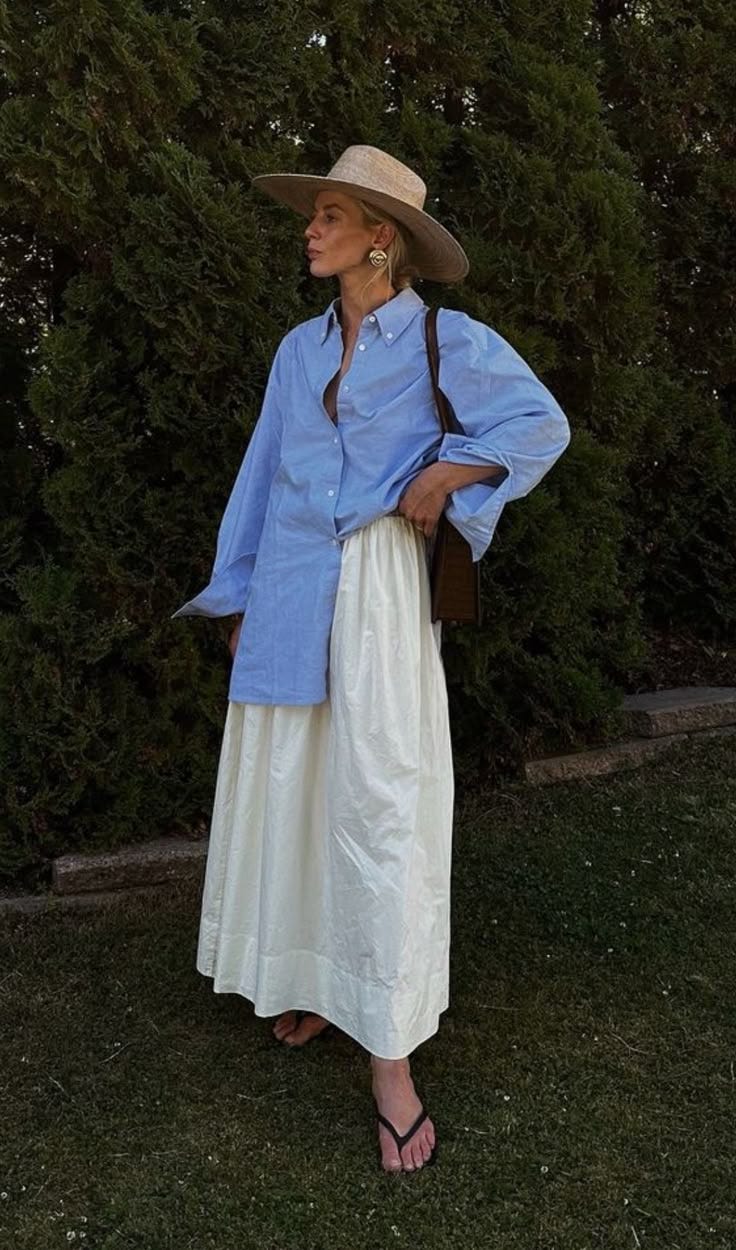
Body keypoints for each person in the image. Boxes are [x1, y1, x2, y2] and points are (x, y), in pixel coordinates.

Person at [170, 144, 571, 1174]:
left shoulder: (446, 339)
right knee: (294, 794)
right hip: (289, 589)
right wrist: (238, 593)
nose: (311, 230)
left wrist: (447, 471)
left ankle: (390, 1055)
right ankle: (315, 979)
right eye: (314, 216)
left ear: (380, 238)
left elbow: (540, 425)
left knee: (378, 803)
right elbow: (262, 474)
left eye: (331, 216)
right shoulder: (296, 351)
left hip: (378, 595)